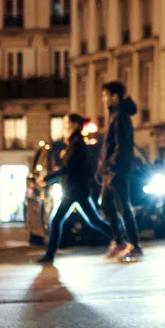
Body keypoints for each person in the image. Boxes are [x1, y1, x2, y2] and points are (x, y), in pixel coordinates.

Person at [35, 113, 114, 265]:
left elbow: (67, 168)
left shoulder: (76, 143)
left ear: (75, 125)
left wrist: (46, 179)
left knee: (57, 221)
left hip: (74, 189)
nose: (66, 128)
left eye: (68, 124)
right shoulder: (74, 143)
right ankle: (120, 238)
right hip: (75, 189)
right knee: (93, 220)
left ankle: (49, 255)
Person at [95, 81, 143, 263]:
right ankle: (120, 241)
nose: (103, 99)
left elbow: (123, 146)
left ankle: (134, 245)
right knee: (105, 204)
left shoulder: (121, 116)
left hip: (118, 169)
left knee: (124, 205)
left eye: (106, 95)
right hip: (111, 169)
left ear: (115, 96)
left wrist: (112, 167)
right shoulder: (115, 115)